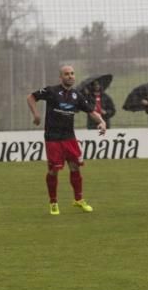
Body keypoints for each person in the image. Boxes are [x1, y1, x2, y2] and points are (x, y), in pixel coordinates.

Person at [27, 64, 106, 215]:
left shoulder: (77, 95)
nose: (70, 76)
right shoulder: (51, 91)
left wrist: (101, 121)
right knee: (53, 171)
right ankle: (53, 202)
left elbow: (91, 111)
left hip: (69, 137)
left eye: (72, 73)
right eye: (67, 74)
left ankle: (78, 199)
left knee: (75, 167)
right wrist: (36, 114)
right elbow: (31, 97)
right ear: (61, 77)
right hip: (53, 138)